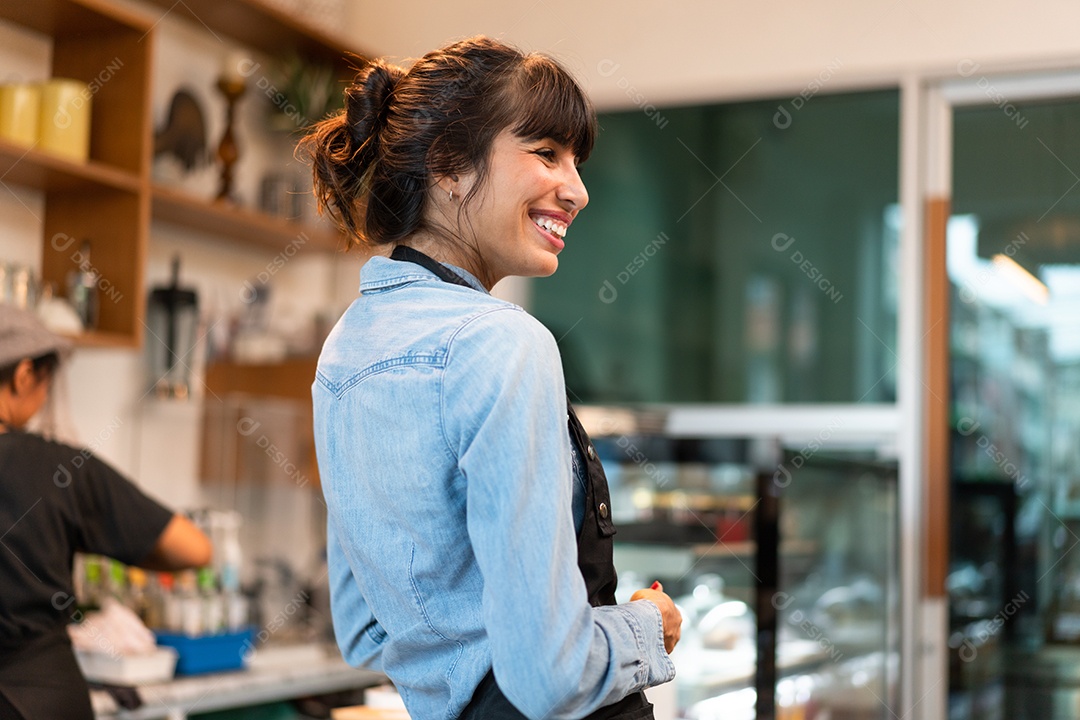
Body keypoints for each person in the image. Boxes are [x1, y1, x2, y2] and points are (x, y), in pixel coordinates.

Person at [304, 36, 681, 719]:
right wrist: (647, 626)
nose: (578, 190)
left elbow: (363, 632)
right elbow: (550, 679)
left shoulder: (344, 352)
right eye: (547, 154)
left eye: (577, 161)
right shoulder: (503, 343)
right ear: (449, 163)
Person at [0, 305, 213, 719]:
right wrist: (122, 545)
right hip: (40, 697)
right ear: (24, 375)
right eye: (45, 384)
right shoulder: (56, 468)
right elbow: (194, 549)